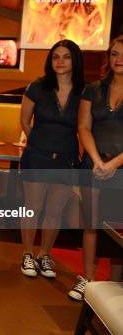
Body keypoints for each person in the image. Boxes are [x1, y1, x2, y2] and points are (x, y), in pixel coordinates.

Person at [18, 39, 84, 279]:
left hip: (66, 159)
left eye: (66, 56)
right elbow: (25, 122)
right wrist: (39, 144)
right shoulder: (37, 87)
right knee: (32, 209)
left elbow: (84, 127)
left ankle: (44, 254)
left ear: (74, 60)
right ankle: (27, 253)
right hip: (37, 157)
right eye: (56, 56)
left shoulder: (84, 91)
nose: (60, 61)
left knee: (54, 212)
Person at [69, 35, 123, 300]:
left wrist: (114, 163)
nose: (119, 59)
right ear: (108, 57)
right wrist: (98, 161)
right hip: (93, 165)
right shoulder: (93, 89)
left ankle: (113, 288)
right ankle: (87, 280)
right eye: (114, 54)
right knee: (90, 224)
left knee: (117, 228)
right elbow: (83, 126)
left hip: (121, 168)